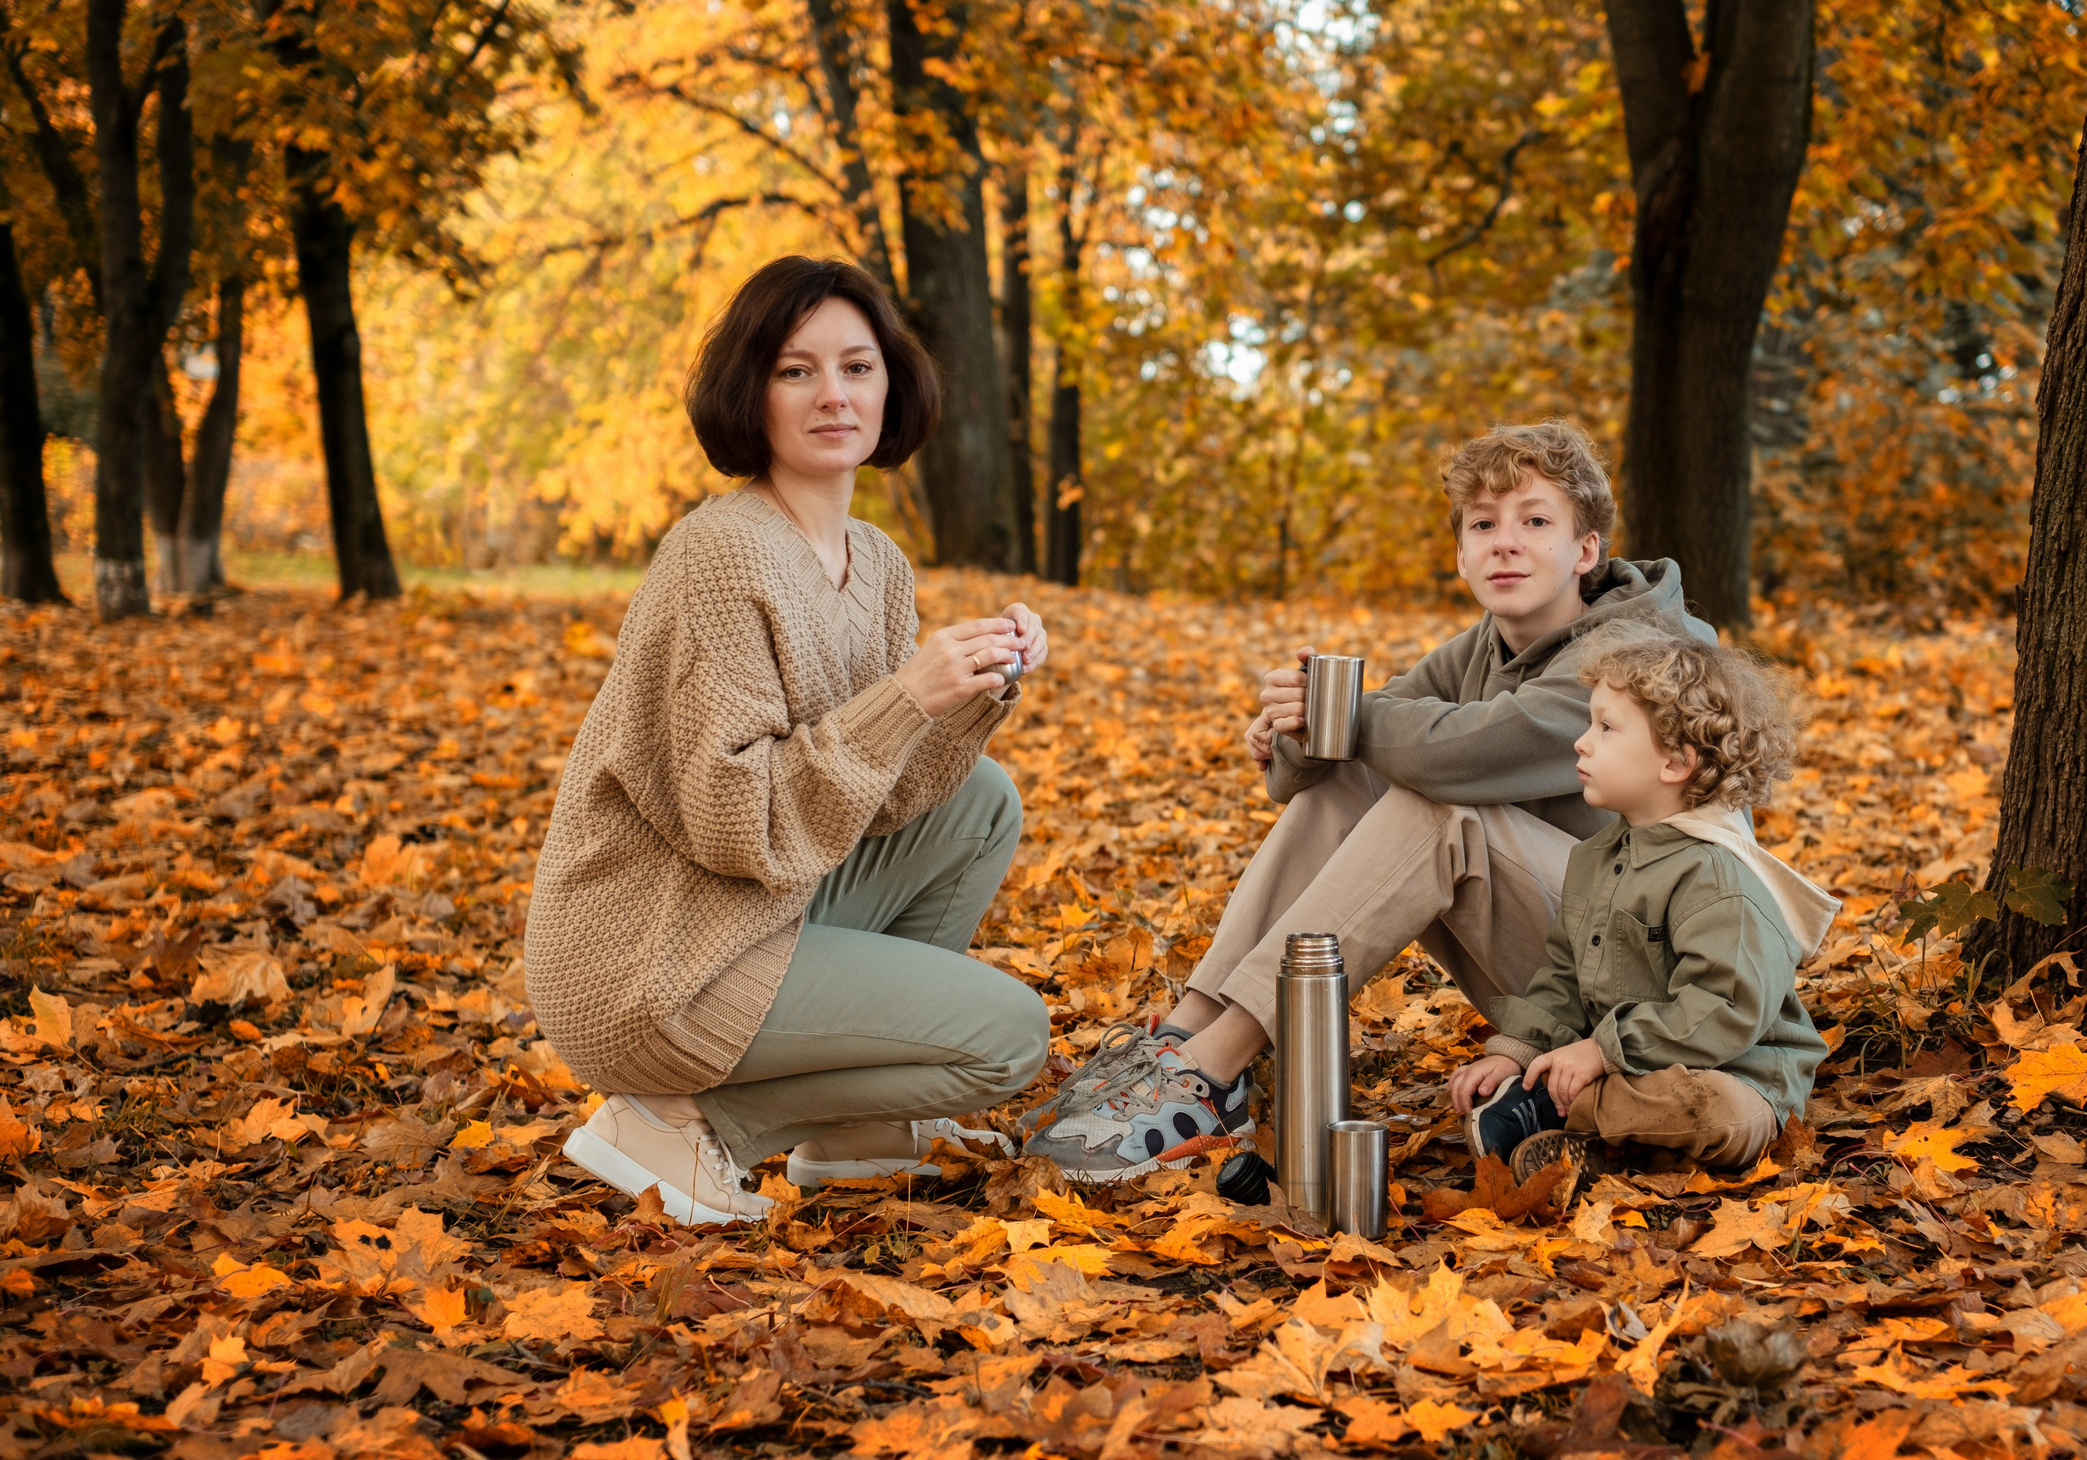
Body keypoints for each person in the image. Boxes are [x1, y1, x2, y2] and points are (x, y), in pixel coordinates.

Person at [1025, 420, 1716, 1182]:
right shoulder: (1488, 645)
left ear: (1587, 551)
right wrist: (1295, 729)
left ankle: (1215, 1068)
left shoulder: (1638, 655)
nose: (1504, 542)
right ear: (1460, 555)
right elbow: (1336, 763)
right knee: (1367, 776)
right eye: (1483, 524)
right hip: (1561, 973)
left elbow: (1461, 751)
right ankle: (1184, 1039)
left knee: (1439, 807)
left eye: (1535, 520)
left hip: (1655, 994)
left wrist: (1344, 717)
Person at [526, 256, 1052, 1226]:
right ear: (750, 392)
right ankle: (685, 1126)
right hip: (653, 958)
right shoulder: (723, 553)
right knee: (1008, 1039)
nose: (832, 395)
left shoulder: (877, 564)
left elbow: (877, 799)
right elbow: (739, 820)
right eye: (794, 370)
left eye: (857, 367)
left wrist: (976, 685)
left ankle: (854, 1131)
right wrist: (904, 694)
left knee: (983, 802)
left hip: (753, 911)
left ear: (892, 386)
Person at [1448, 629, 1837, 1183]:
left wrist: (1603, 1051)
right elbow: (1563, 976)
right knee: (1639, 1097)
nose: (1581, 743)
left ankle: (1553, 1112)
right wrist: (1516, 1049)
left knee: (1709, 1111)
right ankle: (1597, 1143)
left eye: (1606, 729)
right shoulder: (1596, 859)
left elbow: (1726, 1005)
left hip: (1741, 1074)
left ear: (1676, 763)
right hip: (1624, 1064)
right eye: (1590, 724)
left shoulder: (1715, 875)